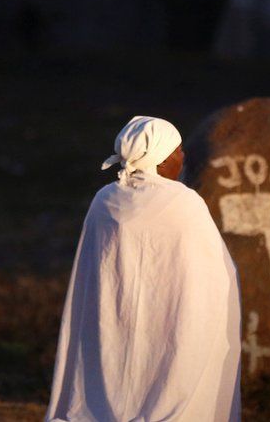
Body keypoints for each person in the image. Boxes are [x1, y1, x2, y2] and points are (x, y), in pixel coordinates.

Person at [46, 116, 242, 422]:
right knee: (165, 380)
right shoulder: (184, 203)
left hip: (111, 321)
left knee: (113, 382)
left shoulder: (105, 200)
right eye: (177, 150)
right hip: (172, 322)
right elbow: (214, 272)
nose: (183, 156)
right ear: (161, 158)